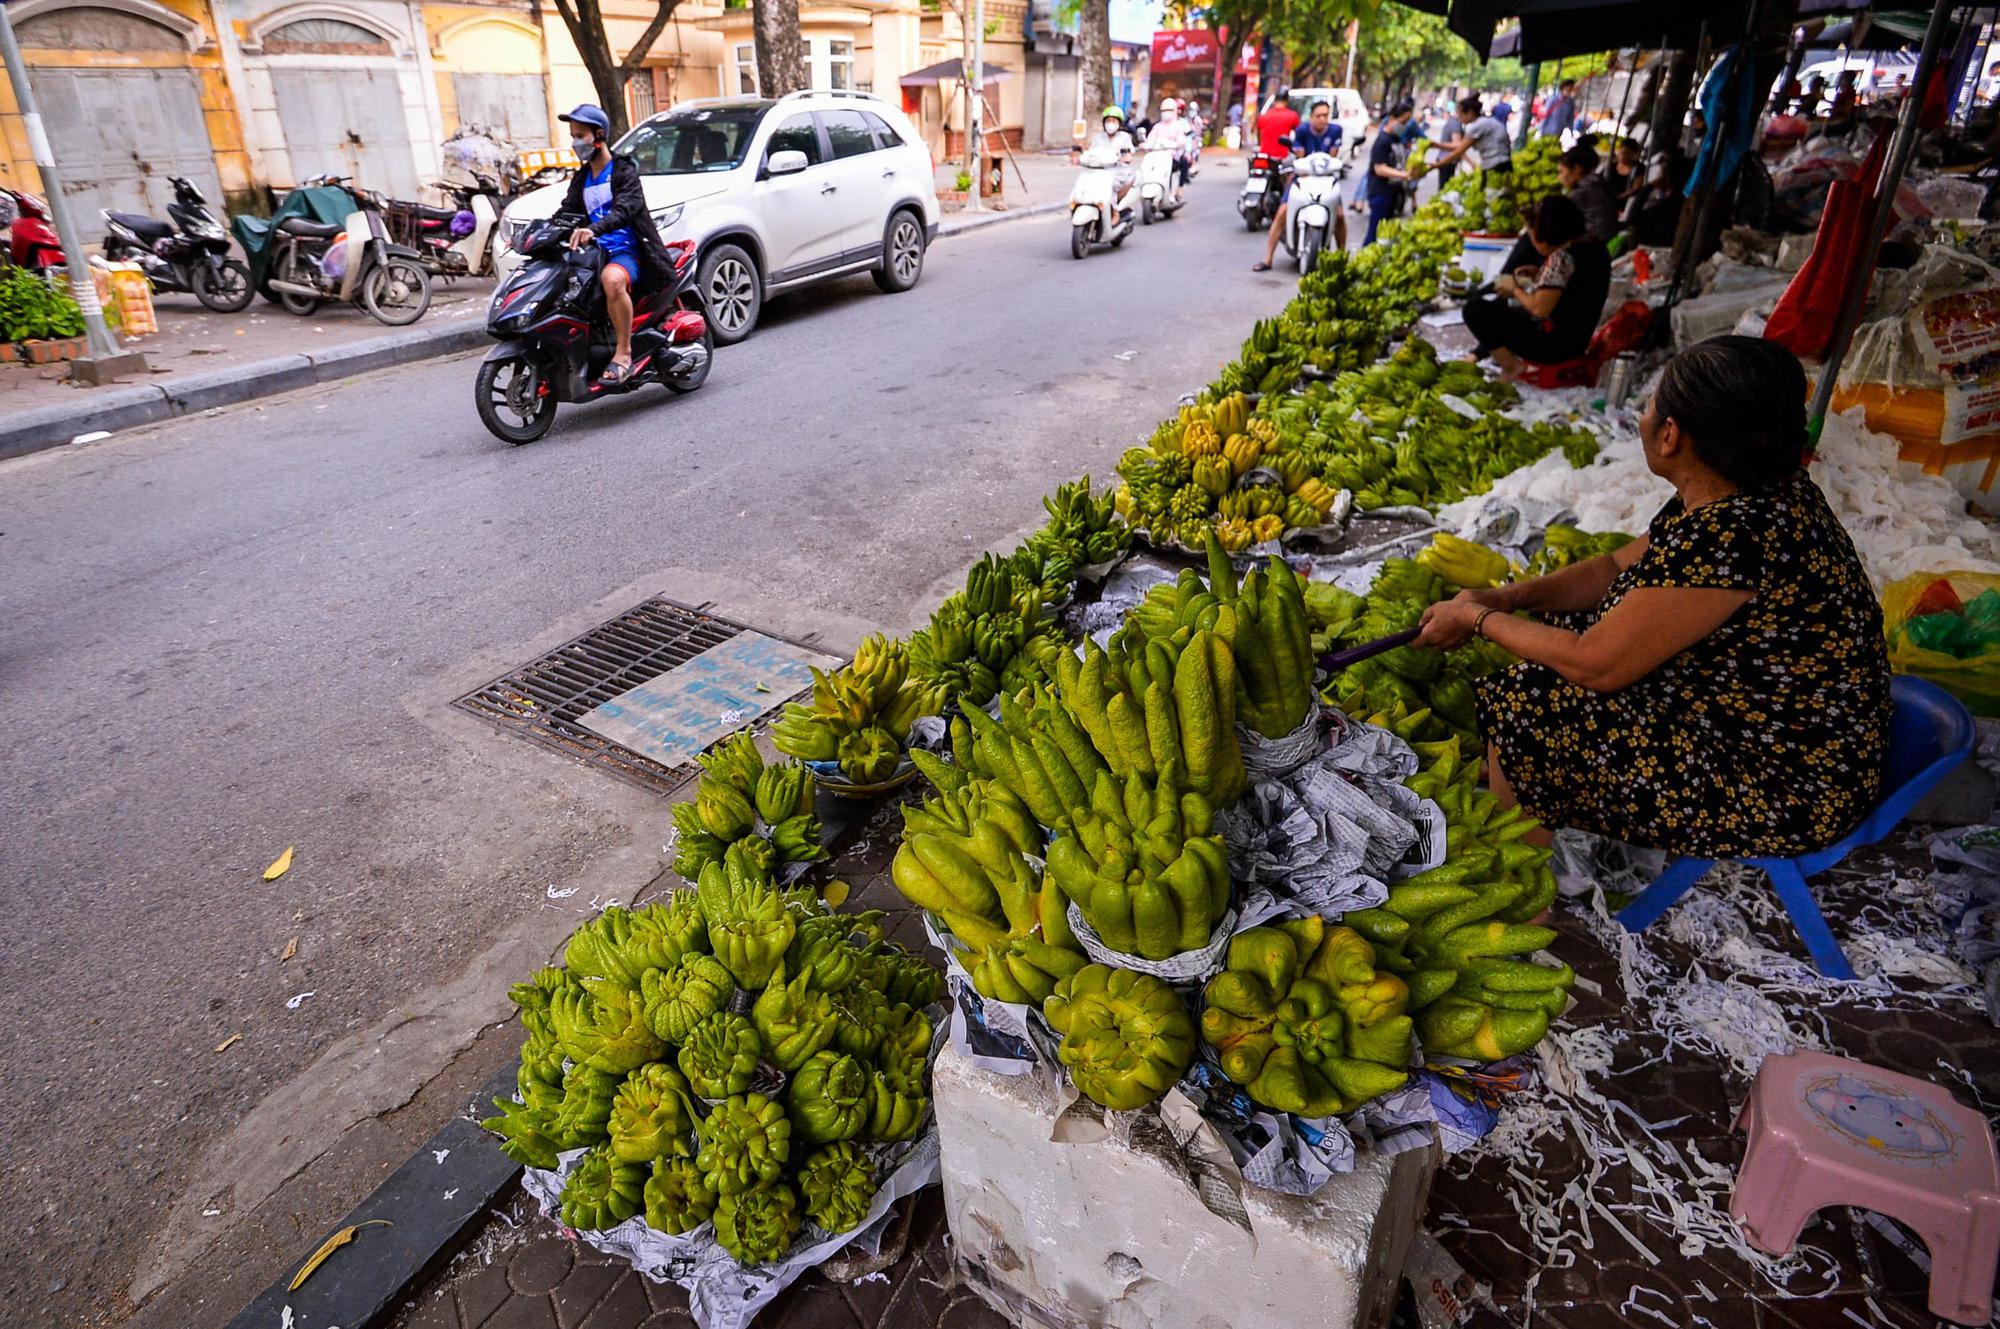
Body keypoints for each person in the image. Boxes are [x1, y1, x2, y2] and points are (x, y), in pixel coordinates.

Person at [1415, 336, 1891, 862]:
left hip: (1786, 789)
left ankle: (1523, 885)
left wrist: (1476, 619)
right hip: (1773, 735)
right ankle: (1517, 787)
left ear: (1670, 435)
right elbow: (1615, 566)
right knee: (1548, 643)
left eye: (1649, 406)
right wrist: (1507, 598)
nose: (1642, 416)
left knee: (1530, 704)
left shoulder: (1736, 532)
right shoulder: (1743, 492)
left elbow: (1595, 665)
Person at [559, 103, 672, 385]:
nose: (575, 142)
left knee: (611, 280)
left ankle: (623, 354)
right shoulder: (582, 177)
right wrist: (537, 233)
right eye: (573, 135)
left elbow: (624, 210)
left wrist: (592, 229)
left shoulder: (623, 171)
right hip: (594, 255)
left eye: (580, 135)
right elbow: (566, 212)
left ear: (598, 136)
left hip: (627, 253)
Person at [1461, 194, 1610, 376]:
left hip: (1553, 347)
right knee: (1503, 309)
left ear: (1546, 234)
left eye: (1532, 236)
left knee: (1474, 310)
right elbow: (1576, 285)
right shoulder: (1593, 246)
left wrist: (1514, 288)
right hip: (1577, 341)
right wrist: (1539, 273)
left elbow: (1540, 309)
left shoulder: (1561, 258)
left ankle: (1511, 366)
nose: (1531, 241)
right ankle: (1479, 353)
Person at [1253, 97, 1346, 271]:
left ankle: (1341, 256)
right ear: (1311, 117)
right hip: (1303, 177)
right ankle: (1268, 259)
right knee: (1282, 212)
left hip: (1326, 179)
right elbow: (1300, 157)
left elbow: (1333, 156)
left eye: (1326, 115)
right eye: (1318, 115)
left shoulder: (1335, 131)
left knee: (1340, 215)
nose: (1322, 119)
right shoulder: (1302, 131)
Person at [1362, 98, 1422, 245]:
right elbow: (1380, 169)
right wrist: (1405, 175)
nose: (1405, 125)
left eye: (1408, 121)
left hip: (1392, 192)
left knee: (1385, 234)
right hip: (1380, 192)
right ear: (1392, 119)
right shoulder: (1383, 141)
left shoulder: (1396, 139)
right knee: (1375, 234)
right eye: (1403, 121)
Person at [1074, 104, 1138, 218]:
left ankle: (1114, 211)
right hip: (1099, 170)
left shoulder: (1124, 137)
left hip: (1117, 171)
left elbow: (1128, 154)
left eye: (1113, 120)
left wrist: (1125, 157)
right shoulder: (1098, 137)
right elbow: (1091, 152)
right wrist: (1079, 157)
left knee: (1110, 185)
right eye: (1108, 120)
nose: (1110, 123)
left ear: (1119, 123)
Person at [1426, 95, 1512, 177]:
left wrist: (1437, 165)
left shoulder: (1477, 126)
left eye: (1460, 114)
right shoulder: (1487, 121)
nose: (1458, 117)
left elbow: (1459, 150)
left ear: (1470, 113)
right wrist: (1436, 145)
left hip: (1495, 166)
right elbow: (1460, 145)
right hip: (1504, 163)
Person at [1146, 98, 1194, 201]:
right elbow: (1150, 140)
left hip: (1173, 157)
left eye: (1168, 110)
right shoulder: (1157, 126)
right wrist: (1145, 145)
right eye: (1164, 111)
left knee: (1184, 163)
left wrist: (1176, 145)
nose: (1166, 113)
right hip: (1157, 157)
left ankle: (1178, 188)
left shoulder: (1179, 125)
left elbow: (1183, 140)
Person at [1257, 88, 1300, 157]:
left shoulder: (1263, 116)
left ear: (1274, 101)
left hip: (1264, 156)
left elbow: (1259, 136)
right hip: (1283, 157)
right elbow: (1299, 136)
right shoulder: (1293, 116)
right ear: (1287, 101)